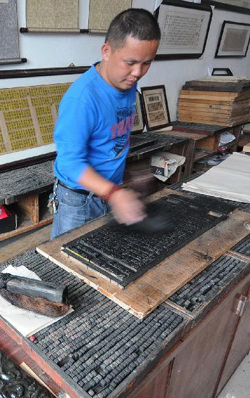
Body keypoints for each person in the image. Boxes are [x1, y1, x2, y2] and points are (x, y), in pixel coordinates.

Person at [50, 8, 161, 239]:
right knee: (70, 262)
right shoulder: (81, 99)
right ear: (107, 51)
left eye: (146, 63)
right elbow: (69, 162)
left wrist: (127, 178)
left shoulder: (126, 84)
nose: (137, 73)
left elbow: (110, 139)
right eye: (130, 62)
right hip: (79, 200)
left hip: (110, 191)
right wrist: (114, 193)